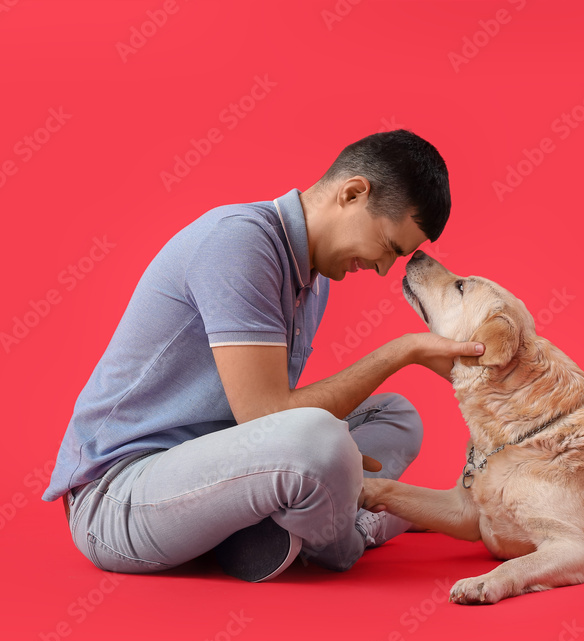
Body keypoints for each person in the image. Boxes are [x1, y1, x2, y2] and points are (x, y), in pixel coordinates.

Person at [42, 129, 484, 582]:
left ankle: (283, 530)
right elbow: (265, 417)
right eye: (389, 246)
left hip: (216, 477)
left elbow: (265, 428)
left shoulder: (314, 277)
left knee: (396, 416)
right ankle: (349, 537)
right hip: (118, 500)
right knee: (321, 440)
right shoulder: (240, 243)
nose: (384, 268)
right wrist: (401, 350)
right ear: (352, 193)